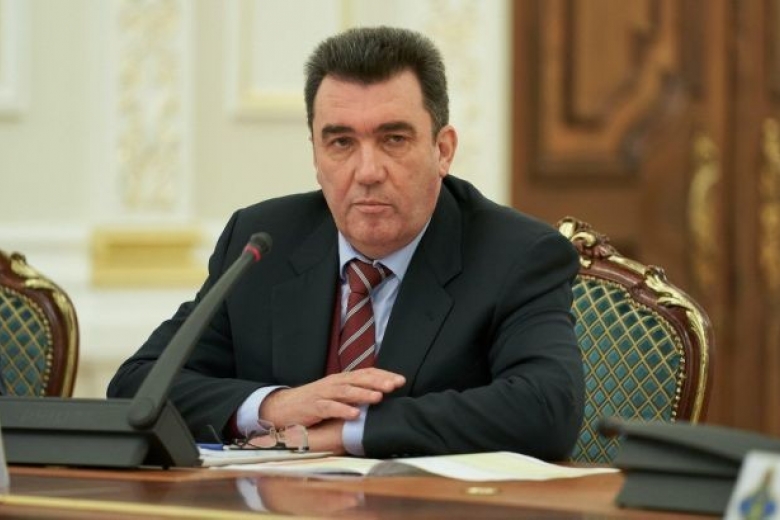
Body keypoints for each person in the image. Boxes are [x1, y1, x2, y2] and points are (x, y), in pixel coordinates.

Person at [108, 26, 584, 461]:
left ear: (442, 150)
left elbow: (546, 409)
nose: (368, 171)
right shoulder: (263, 241)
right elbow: (137, 388)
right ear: (316, 154)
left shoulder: (516, 254)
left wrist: (349, 433)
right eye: (341, 143)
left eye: (393, 139)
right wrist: (276, 407)